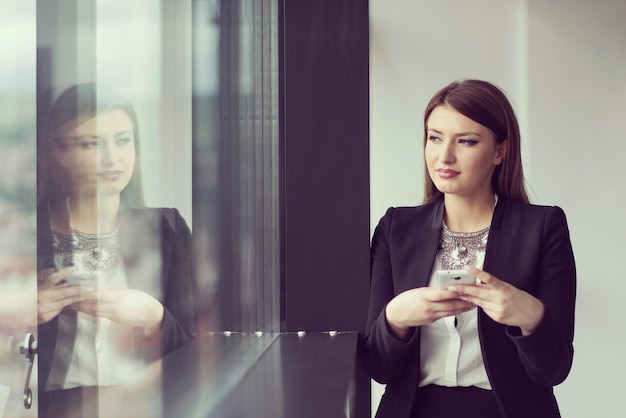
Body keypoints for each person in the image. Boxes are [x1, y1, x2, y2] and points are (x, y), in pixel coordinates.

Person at [362, 79, 576, 418]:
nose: (444, 156)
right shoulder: (394, 228)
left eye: (466, 141)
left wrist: (527, 315)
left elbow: (554, 370)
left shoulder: (543, 228)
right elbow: (378, 368)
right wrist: (397, 317)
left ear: (500, 151)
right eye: (434, 138)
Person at [36, 83, 196, 417]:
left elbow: (204, 348)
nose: (113, 158)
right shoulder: (29, 232)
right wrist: (21, 312)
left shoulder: (168, 229)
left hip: (146, 406)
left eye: (123, 140)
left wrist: (154, 315)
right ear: (59, 154)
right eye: (90, 143)